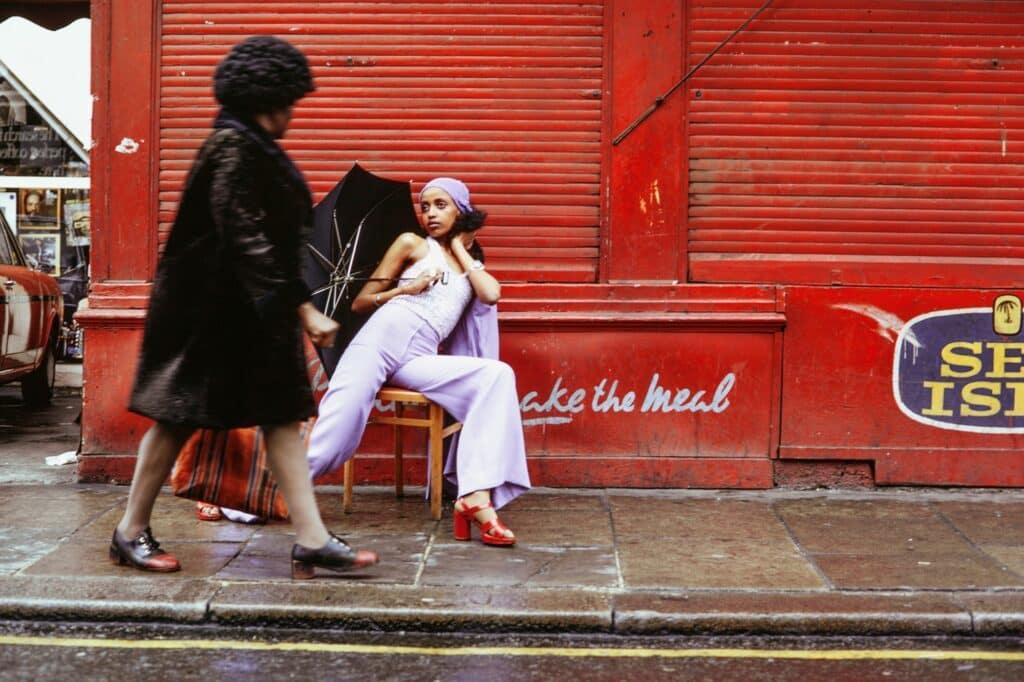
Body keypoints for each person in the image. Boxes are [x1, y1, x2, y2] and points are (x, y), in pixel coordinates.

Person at [112, 35, 378, 578]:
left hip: (252, 313)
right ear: (266, 99)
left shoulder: (252, 144)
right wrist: (304, 309)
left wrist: (288, 306)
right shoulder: (232, 146)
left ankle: (312, 538)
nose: (293, 114)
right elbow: (244, 235)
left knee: (282, 419)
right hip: (208, 316)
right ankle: (129, 531)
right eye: (288, 102)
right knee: (175, 420)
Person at [307, 177, 531, 546]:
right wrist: (404, 289)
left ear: (462, 209)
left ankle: (475, 497)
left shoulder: (468, 261)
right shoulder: (412, 244)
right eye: (425, 206)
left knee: (495, 377)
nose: (429, 213)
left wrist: (459, 250)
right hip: (379, 341)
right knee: (335, 440)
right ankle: (244, 499)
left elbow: (491, 294)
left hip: (419, 355)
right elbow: (360, 303)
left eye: (441, 205)